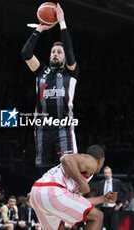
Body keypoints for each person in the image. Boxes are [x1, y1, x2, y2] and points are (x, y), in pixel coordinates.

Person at [21, 3, 79, 173]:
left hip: (64, 126)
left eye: (59, 52)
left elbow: (69, 51)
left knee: (68, 169)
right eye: (53, 51)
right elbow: (26, 53)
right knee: (44, 173)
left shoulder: (71, 72)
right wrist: (40, 28)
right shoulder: (41, 71)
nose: (55, 53)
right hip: (42, 128)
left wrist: (61, 22)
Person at [30, 145, 117, 230]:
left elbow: (76, 200)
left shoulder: (76, 169)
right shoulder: (92, 161)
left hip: (36, 193)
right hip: (53, 190)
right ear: (101, 161)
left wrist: (103, 199)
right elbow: (66, 159)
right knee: (97, 217)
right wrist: (82, 182)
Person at [97, 166, 128, 230]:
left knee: (113, 227)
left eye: (108, 173)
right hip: (104, 208)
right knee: (105, 227)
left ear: (111, 174)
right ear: (103, 174)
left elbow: (126, 191)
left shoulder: (117, 182)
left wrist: (121, 203)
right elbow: (99, 195)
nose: (107, 174)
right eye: (105, 173)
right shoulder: (101, 183)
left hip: (114, 208)